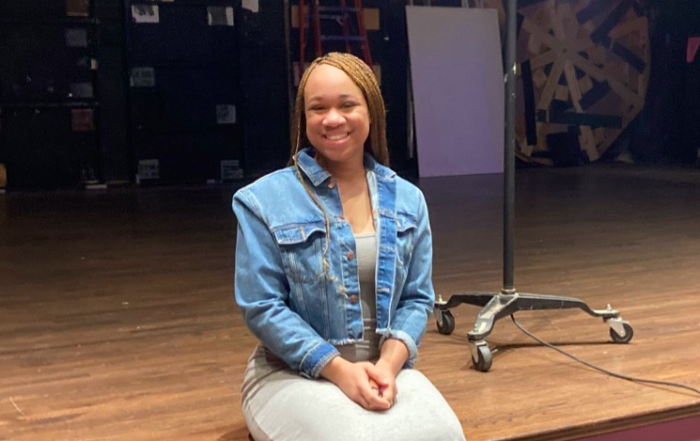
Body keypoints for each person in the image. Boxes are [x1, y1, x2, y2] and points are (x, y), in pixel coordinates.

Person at [233, 52, 465, 441]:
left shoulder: (408, 200)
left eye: (346, 105)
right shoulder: (262, 201)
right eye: (318, 108)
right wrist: (339, 370)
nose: (333, 119)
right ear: (303, 118)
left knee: (446, 435)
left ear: (370, 111)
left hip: (382, 369)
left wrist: (387, 366)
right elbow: (262, 307)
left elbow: (417, 298)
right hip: (292, 373)